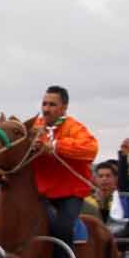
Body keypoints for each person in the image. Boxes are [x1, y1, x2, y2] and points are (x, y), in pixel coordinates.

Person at [28, 86, 100, 248]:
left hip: (70, 193)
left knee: (62, 229)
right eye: (44, 104)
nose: (46, 109)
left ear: (64, 107)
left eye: (52, 105)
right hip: (41, 191)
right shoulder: (34, 128)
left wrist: (55, 145)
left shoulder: (74, 127)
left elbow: (91, 148)